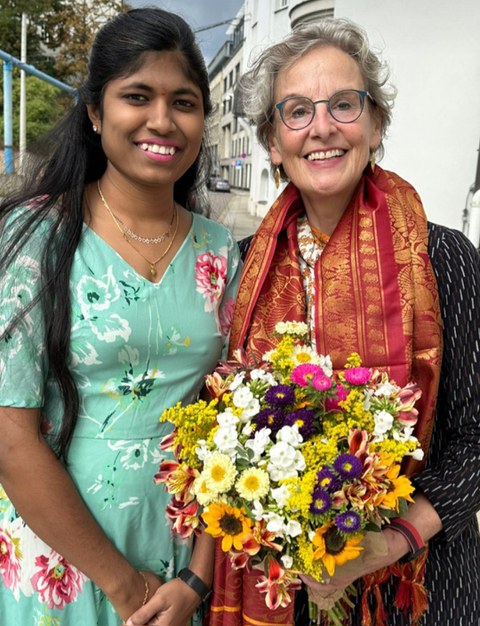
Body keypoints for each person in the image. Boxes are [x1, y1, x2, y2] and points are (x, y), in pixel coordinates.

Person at [207, 18, 480, 626]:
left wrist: (387, 543)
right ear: (272, 143)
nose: (322, 127)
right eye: (296, 111)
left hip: (419, 585)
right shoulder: (243, 265)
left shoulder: (443, 258)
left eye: (344, 105)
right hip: (281, 590)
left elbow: (477, 438)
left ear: (376, 124)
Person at [0, 8, 241, 626]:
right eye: (138, 96)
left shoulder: (219, 251)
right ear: (94, 111)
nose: (162, 120)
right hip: (64, 559)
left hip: (180, 561)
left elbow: (234, 425)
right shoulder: (36, 239)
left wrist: (197, 573)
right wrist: (121, 585)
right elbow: (9, 438)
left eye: (183, 102)